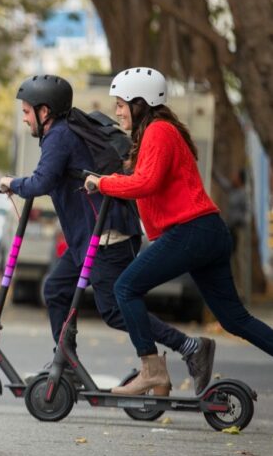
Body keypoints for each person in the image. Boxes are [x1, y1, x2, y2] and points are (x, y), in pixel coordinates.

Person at [1, 74, 214, 393]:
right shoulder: (66, 128)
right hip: (87, 238)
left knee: (115, 309)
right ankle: (67, 363)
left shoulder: (60, 135)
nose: (24, 116)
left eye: (27, 110)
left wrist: (12, 183)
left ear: (45, 111)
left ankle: (189, 347)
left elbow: (42, 181)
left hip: (105, 236)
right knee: (57, 290)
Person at [85, 67, 273, 396]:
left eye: (120, 103)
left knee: (125, 288)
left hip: (191, 231)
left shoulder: (159, 131)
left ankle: (152, 371)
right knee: (234, 319)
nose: (117, 110)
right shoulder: (155, 133)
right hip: (206, 232)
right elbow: (146, 182)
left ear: (140, 103)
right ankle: (185, 356)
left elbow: (146, 183)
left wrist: (103, 183)